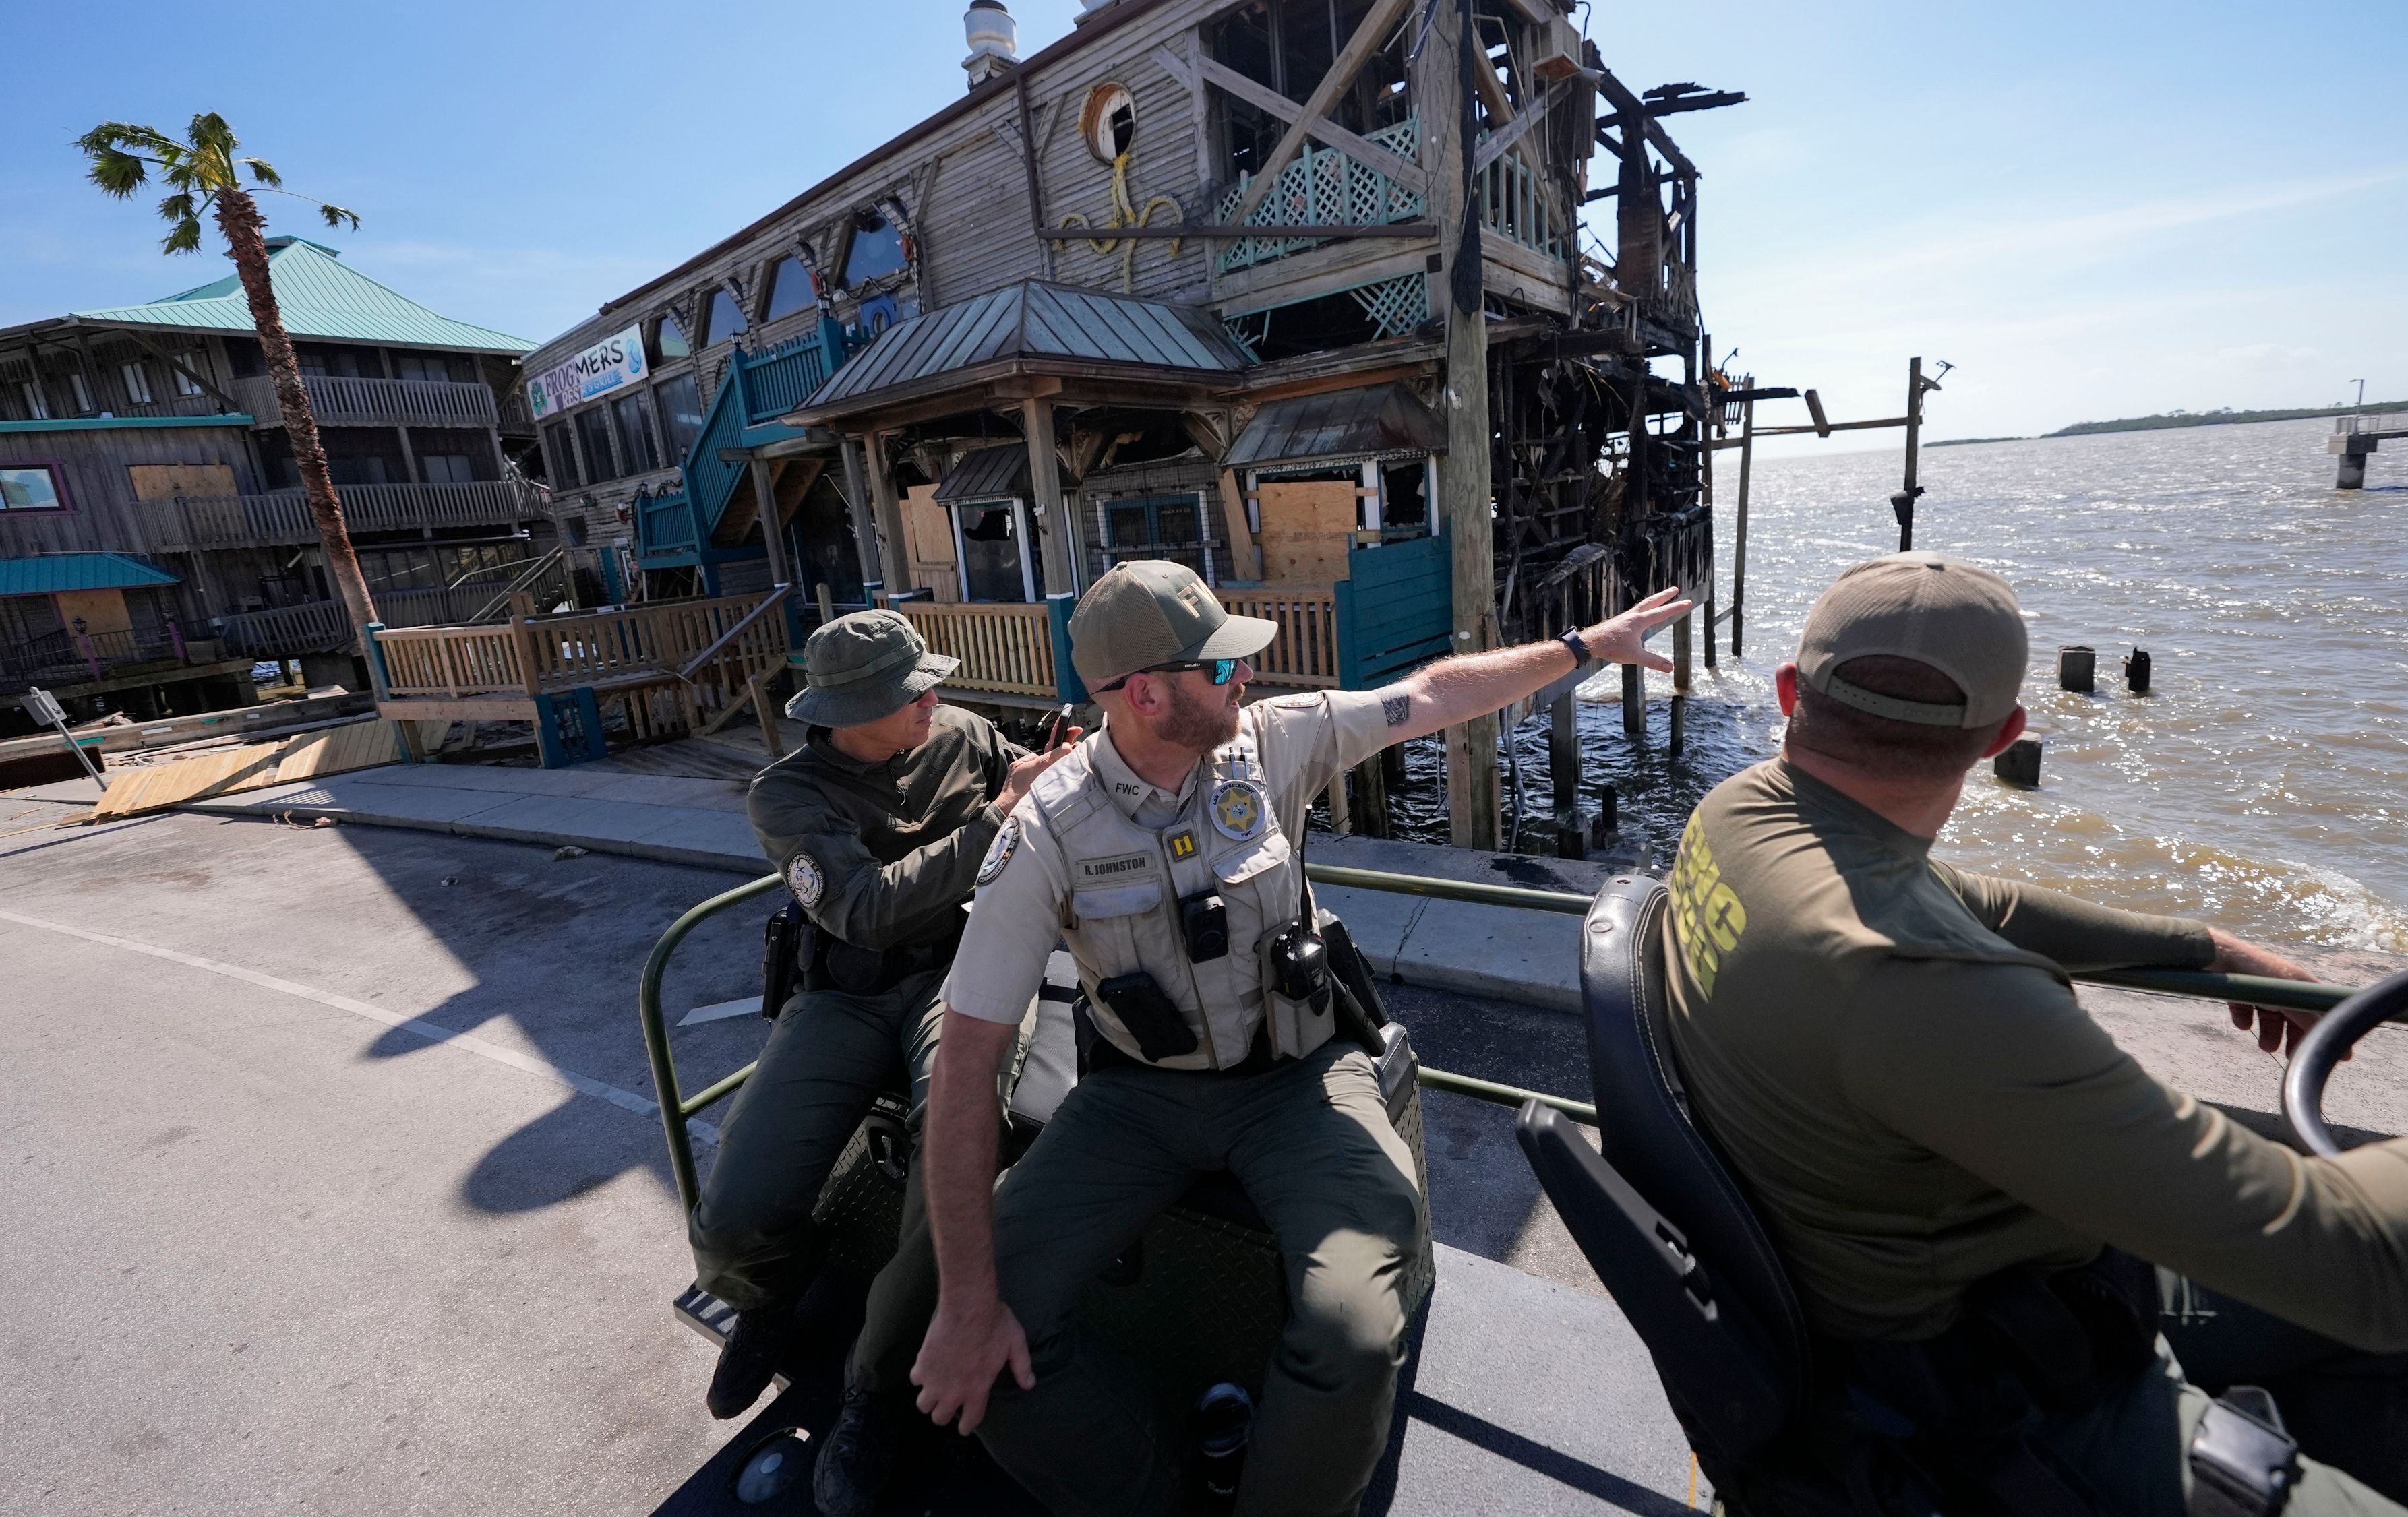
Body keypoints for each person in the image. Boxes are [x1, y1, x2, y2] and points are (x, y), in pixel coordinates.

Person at [1666, 552, 2408, 1516]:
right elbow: (2363, 1261)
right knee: (2380, 1325)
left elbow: (1967, 896)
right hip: (1997, 1398)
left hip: (1846, 1312)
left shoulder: (1741, 818)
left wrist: (2208, 944)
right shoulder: (1932, 993)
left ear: (1787, 691)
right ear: (2003, 739)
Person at [886, 559, 1691, 1517]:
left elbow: (1430, 693)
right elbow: (971, 1058)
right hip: (1136, 1100)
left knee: (1354, 1332)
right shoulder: (1049, 832)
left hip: (1299, 1082)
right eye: (1221, 670)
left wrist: (1585, 647)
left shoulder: (1273, 743)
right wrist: (969, 1304)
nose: (1246, 680)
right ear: (1145, 694)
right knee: (980, 1348)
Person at [689, 609, 1072, 1421]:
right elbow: (863, 911)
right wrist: (1001, 813)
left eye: (930, 683)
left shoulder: (963, 733)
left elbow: (1035, 789)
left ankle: (879, 1380)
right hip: (847, 994)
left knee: (954, 1161)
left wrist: (1054, 775)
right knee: (731, 1219)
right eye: (914, 691)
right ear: (854, 712)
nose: (935, 698)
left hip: (964, 974)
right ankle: (772, 1291)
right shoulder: (787, 796)